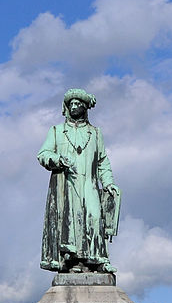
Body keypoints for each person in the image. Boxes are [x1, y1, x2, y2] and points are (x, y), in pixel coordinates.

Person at [38, 88, 120, 274]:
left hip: (90, 183)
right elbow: (43, 154)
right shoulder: (56, 131)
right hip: (66, 184)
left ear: (85, 107)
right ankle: (73, 262)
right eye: (71, 104)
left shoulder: (95, 133)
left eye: (78, 103)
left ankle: (98, 260)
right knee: (70, 223)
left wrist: (108, 183)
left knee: (94, 217)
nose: (74, 106)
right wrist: (57, 160)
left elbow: (102, 161)